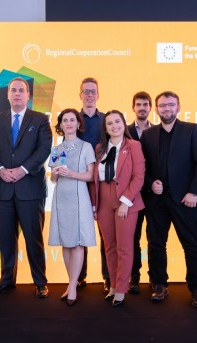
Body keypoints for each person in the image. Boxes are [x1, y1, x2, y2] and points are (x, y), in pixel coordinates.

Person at [140, 91, 197, 308]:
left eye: (171, 105)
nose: (166, 109)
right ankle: (159, 284)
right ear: (157, 109)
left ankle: (196, 288)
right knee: (156, 244)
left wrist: (194, 192)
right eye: (162, 106)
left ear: (178, 107)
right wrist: (151, 183)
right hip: (156, 201)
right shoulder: (148, 134)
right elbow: (143, 168)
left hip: (184, 199)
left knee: (191, 244)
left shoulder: (191, 130)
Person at [0, 77, 52, 298]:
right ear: (7, 94)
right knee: (5, 238)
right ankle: (6, 280)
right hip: (3, 189)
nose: (17, 94)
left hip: (30, 189)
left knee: (33, 237)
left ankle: (40, 282)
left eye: (21, 90)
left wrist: (22, 170)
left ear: (28, 95)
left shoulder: (40, 119)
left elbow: (44, 150)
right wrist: (1, 169)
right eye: (13, 90)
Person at [90, 110, 145, 307]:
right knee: (109, 247)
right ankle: (113, 285)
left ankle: (121, 289)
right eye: (110, 123)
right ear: (105, 128)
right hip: (104, 200)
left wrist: (125, 202)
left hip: (126, 201)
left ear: (124, 124)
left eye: (117, 122)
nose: (114, 126)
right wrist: (95, 204)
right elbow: (94, 179)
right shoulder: (99, 148)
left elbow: (139, 176)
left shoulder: (134, 146)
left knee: (124, 248)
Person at [48, 109, 96, 306]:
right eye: (65, 120)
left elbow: (91, 176)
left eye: (72, 120)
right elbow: (52, 179)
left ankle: (73, 285)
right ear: (60, 125)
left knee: (77, 242)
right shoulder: (56, 149)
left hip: (78, 197)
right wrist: (57, 173)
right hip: (61, 198)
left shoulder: (86, 147)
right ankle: (71, 283)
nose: (68, 123)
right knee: (65, 242)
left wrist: (72, 173)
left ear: (78, 124)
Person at [77, 77, 109, 292]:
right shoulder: (72, 118)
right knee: (79, 232)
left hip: (103, 183)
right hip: (78, 182)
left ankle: (109, 278)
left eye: (93, 91)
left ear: (98, 95)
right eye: (86, 91)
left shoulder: (107, 120)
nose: (89, 95)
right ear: (80, 95)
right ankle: (79, 277)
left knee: (106, 232)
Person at [127, 91, 154, 294]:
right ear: (133, 108)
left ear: (150, 107)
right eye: (139, 104)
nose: (142, 107)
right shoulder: (125, 131)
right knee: (132, 237)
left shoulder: (158, 131)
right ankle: (134, 276)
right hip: (132, 194)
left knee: (154, 237)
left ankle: (155, 278)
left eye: (146, 104)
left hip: (153, 194)